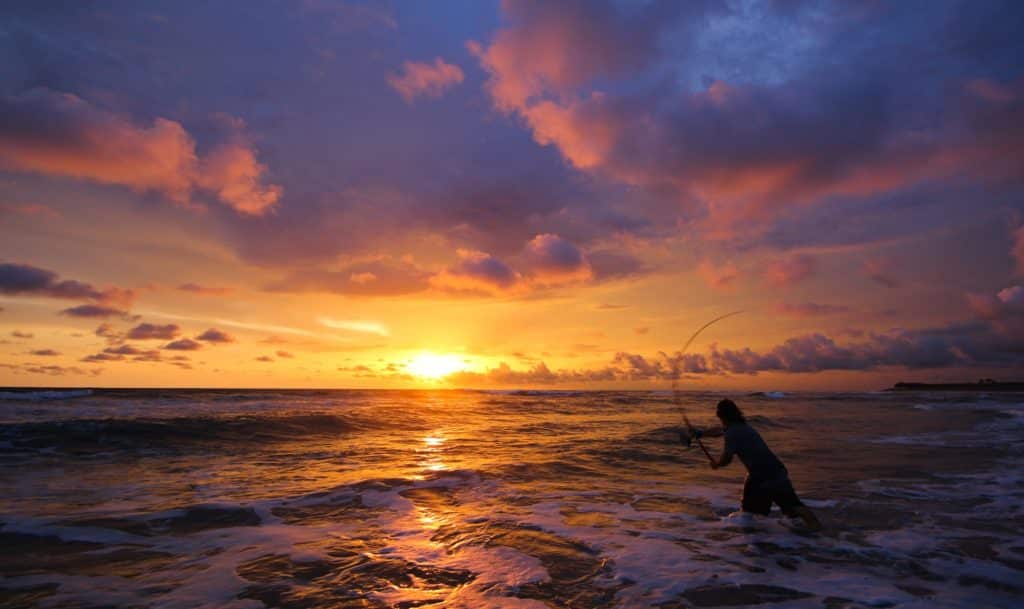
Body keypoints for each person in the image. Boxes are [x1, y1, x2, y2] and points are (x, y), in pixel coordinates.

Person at [696, 399, 821, 530]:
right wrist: (701, 434)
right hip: (775, 470)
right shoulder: (743, 426)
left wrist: (716, 464)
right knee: (792, 508)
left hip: (760, 476)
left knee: (748, 513)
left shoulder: (732, 433)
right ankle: (816, 529)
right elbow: (719, 431)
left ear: (721, 416)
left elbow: (727, 459)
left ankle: (753, 541)